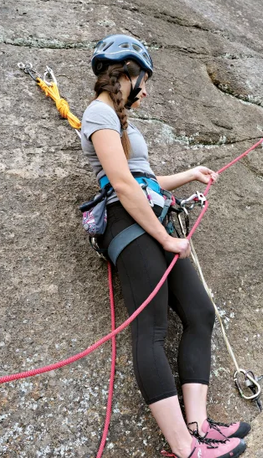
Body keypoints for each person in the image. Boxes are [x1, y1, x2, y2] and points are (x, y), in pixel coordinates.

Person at [80, 34, 249, 458]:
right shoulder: (98, 113)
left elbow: (143, 179)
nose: (146, 91)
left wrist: (189, 174)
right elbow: (121, 184)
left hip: (148, 215)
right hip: (128, 224)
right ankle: (183, 448)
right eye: (144, 81)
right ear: (127, 73)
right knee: (151, 329)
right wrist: (166, 238)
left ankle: (200, 427)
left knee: (200, 313)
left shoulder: (119, 121)